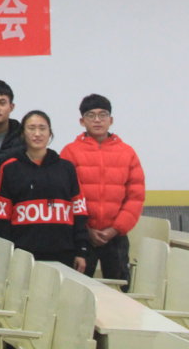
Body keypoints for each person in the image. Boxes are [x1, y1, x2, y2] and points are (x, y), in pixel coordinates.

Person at [60, 94, 145, 281]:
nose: (97, 120)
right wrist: (86, 229)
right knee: (77, 289)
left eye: (102, 115)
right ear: (82, 121)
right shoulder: (70, 152)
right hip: (81, 236)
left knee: (119, 289)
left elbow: (135, 197)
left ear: (111, 120)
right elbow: (63, 196)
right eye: (91, 115)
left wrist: (114, 229)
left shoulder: (127, 153)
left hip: (115, 236)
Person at [0, 110, 88, 270]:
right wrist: (5, 254)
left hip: (63, 254)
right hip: (22, 255)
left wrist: (81, 250)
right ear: (23, 133)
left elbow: (79, 212)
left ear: (50, 133)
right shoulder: (9, 168)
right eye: (31, 128)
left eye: (42, 128)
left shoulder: (67, 168)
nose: (37, 134)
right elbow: (1, 216)